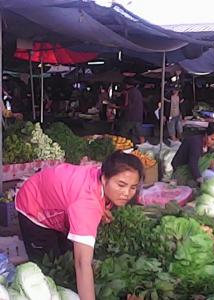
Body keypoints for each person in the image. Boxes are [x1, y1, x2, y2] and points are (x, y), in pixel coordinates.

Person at [15, 151, 143, 300]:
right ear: (104, 178)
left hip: (55, 198)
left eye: (133, 187)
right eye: (121, 185)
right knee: (46, 270)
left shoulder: (96, 177)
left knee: (65, 256)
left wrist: (102, 207)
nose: (126, 193)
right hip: (33, 205)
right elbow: (82, 263)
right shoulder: (86, 206)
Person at [119, 77, 145, 144]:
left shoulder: (129, 92)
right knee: (140, 134)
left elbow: (126, 105)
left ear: (127, 84)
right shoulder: (138, 91)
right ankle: (143, 146)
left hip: (130, 116)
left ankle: (124, 146)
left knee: (123, 134)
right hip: (138, 116)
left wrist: (116, 106)